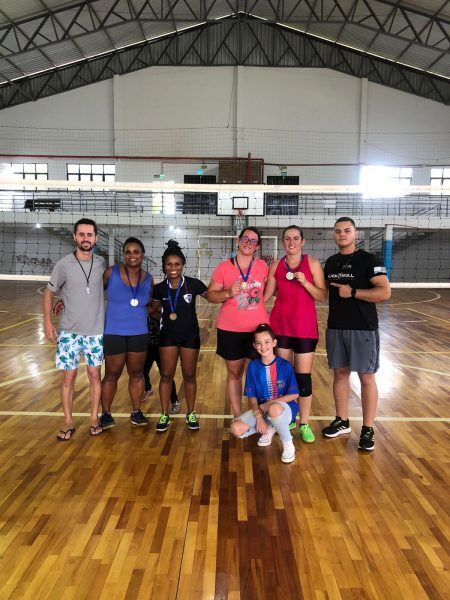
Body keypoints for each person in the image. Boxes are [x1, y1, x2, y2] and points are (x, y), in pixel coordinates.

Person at [322, 217, 391, 451]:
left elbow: (384, 292)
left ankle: (368, 429)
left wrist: (352, 292)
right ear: (334, 234)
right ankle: (342, 421)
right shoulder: (330, 263)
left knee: (366, 378)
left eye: (347, 230)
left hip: (363, 328)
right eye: (338, 231)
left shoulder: (369, 260)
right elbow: (320, 292)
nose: (342, 234)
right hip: (336, 327)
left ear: (355, 234)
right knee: (340, 374)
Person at [43, 218, 105, 440]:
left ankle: (94, 418)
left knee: (94, 376)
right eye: (82, 234)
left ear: (95, 238)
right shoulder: (63, 264)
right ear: (74, 237)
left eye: (90, 235)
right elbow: (50, 292)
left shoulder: (101, 264)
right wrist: (48, 322)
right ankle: (68, 422)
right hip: (69, 332)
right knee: (68, 379)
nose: (86, 239)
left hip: (95, 332)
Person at [264, 225, 326, 443]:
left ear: (302, 242)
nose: (292, 242)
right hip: (280, 327)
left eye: (296, 238)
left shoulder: (313, 263)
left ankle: (305, 423)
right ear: (283, 242)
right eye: (288, 238)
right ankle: (287, 415)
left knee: (303, 378)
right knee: (282, 378)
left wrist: (305, 282)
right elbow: (266, 296)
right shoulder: (276, 266)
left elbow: (322, 295)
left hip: (304, 329)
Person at [207, 227, 269, 416]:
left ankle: (257, 415)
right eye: (245, 238)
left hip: (257, 331)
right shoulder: (223, 268)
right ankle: (237, 416)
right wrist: (227, 293)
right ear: (238, 240)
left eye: (253, 241)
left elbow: (271, 291)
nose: (248, 243)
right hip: (230, 330)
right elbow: (210, 295)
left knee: (256, 375)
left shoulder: (263, 267)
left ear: (257, 246)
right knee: (234, 374)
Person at [151, 240, 208, 432]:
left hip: (190, 336)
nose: (173, 267)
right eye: (169, 264)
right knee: (166, 375)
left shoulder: (193, 284)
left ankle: (190, 413)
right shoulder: (159, 288)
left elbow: (213, 297)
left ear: (182, 265)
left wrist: (228, 293)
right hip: (168, 336)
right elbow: (152, 309)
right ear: (164, 267)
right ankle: (164, 414)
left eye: (177, 264)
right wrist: (163, 317)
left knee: (189, 375)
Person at [99, 237, 153, 429]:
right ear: (124, 254)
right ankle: (105, 414)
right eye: (128, 252)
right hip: (113, 332)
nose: (132, 256)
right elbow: (92, 295)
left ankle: (137, 412)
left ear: (142, 254)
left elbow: (151, 305)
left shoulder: (148, 278)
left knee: (137, 373)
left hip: (139, 332)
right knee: (112, 374)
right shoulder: (109, 273)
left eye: (136, 252)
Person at [229, 324, 299, 463]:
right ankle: (271, 427)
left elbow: (294, 394)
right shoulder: (253, 366)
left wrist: (268, 404)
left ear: (274, 343)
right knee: (235, 428)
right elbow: (252, 397)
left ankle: (288, 443)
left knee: (274, 408)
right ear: (255, 346)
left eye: (267, 342)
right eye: (259, 343)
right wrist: (259, 418)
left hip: (285, 410)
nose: (263, 346)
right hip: (263, 411)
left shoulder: (284, 365)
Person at [142, 315, 180, 413]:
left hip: (162, 345)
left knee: (166, 375)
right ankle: (148, 388)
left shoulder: (160, 306)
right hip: (147, 346)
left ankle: (174, 401)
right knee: (141, 371)